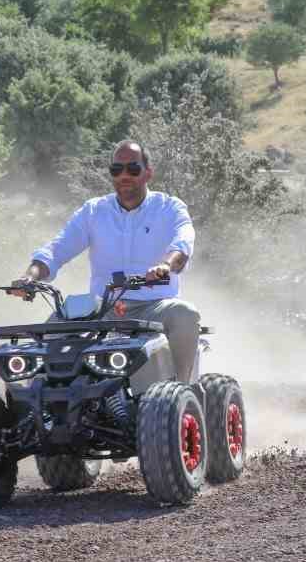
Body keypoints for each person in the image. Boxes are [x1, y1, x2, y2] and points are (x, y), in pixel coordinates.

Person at [12, 140, 201, 382]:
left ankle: (182, 392)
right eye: (117, 170)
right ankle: (39, 404)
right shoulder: (93, 211)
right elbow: (57, 249)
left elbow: (183, 242)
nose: (124, 176)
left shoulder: (169, 207)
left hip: (154, 307)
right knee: (54, 326)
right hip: (102, 308)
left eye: (133, 169)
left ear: (148, 173)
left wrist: (165, 265)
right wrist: (31, 276)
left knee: (185, 313)